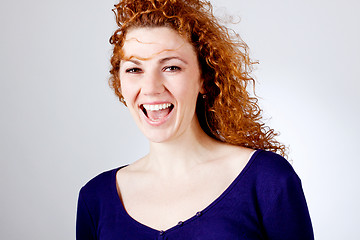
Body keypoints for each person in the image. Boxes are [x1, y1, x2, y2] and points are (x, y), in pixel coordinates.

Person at [76, 0, 314, 239]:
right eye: (134, 70)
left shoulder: (267, 180)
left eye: (171, 67)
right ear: (120, 82)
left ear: (204, 78)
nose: (150, 88)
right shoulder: (95, 198)